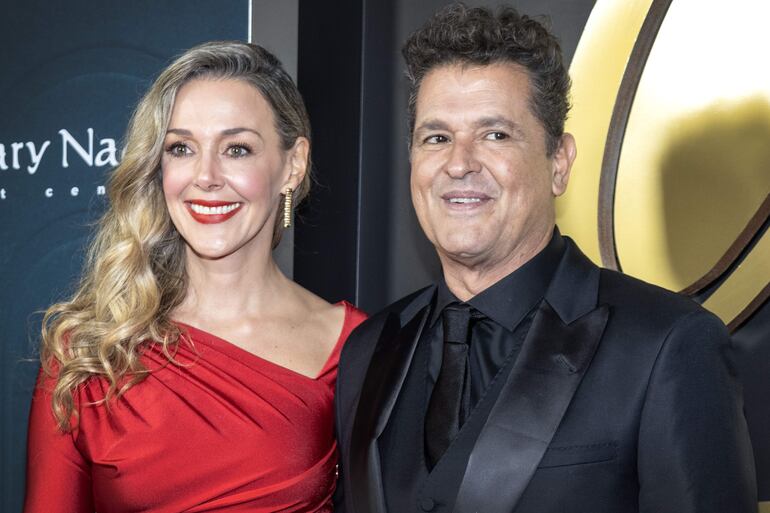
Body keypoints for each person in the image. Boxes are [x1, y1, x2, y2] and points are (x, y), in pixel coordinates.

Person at [334, 5, 757, 513]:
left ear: (559, 163)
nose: (459, 162)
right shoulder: (370, 349)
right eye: (437, 137)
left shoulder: (669, 344)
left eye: (495, 135)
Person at [25, 41, 365, 512]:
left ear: (293, 164)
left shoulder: (356, 349)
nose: (205, 176)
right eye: (181, 148)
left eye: (237, 149)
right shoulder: (86, 351)